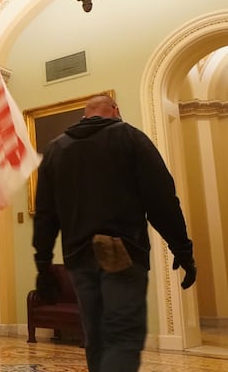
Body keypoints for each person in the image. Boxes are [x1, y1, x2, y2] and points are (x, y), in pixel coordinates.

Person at [33, 95, 197, 372]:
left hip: (78, 256)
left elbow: (46, 214)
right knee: (123, 336)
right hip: (123, 252)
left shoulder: (56, 149)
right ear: (115, 111)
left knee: (95, 337)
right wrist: (182, 249)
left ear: (85, 115)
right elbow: (162, 199)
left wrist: (42, 264)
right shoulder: (131, 138)